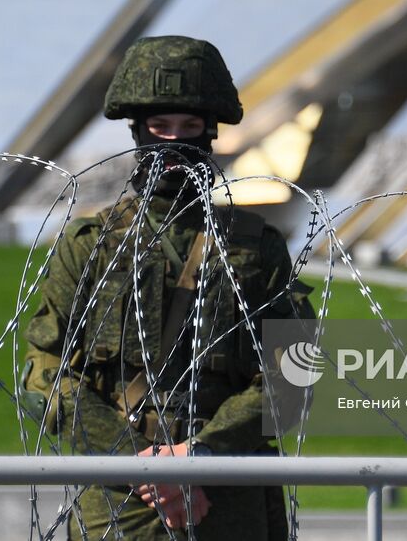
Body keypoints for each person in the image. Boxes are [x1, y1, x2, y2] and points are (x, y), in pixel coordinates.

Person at [21, 35, 315, 540]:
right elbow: (45, 372)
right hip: (121, 496)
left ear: (211, 133)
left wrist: (201, 457)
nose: (173, 142)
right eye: (160, 127)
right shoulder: (90, 245)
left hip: (226, 491)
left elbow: (292, 374)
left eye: (189, 127)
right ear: (138, 132)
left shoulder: (256, 247)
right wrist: (140, 466)